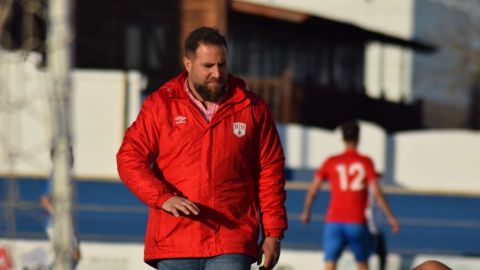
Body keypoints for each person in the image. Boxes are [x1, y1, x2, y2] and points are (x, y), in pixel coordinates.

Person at [116, 26, 288, 270]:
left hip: (232, 238)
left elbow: (270, 171)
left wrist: (273, 233)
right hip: (175, 240)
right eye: (208, 66)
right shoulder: (160, 105)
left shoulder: (253, 108)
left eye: (222, 65)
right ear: (188, 63)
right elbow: (129, 158)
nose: (217, 73)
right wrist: (162, 198)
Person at [301, 121, 399, 270]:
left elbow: (313, 190)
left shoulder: (331, 161)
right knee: (362, 263)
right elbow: (377, 193)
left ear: (342, 139)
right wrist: (391, 218)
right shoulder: (365, 162)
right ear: (358, 138)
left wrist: (306, 211)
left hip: (333, 221)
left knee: (330, 264)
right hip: (356, 220)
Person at [40, 146, 81, 269]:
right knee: (66, 256)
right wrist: (57, 214)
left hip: (65, 222)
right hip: (56, 223)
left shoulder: (65, 176)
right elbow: (45, 200)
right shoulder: (56, 176)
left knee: (74, 255)